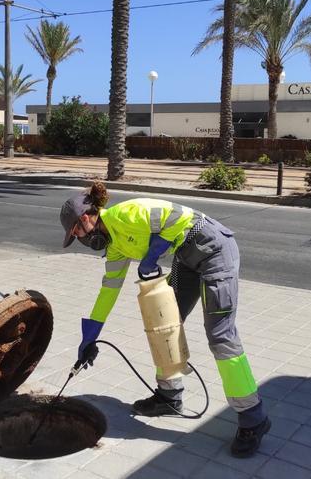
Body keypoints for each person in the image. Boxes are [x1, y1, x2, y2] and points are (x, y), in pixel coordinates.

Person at [59, 182, 271, 458]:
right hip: (186, 259)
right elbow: (109, 289)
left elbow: (178, 219)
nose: (80, 239)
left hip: (214, 249)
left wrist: (151, 256)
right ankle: (169, 396)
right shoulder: (115, 247)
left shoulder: (128, 213)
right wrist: (90, 336)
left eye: (76, 233)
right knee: (161, 322)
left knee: (220, 335)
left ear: (86, 218)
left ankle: (253, 417)